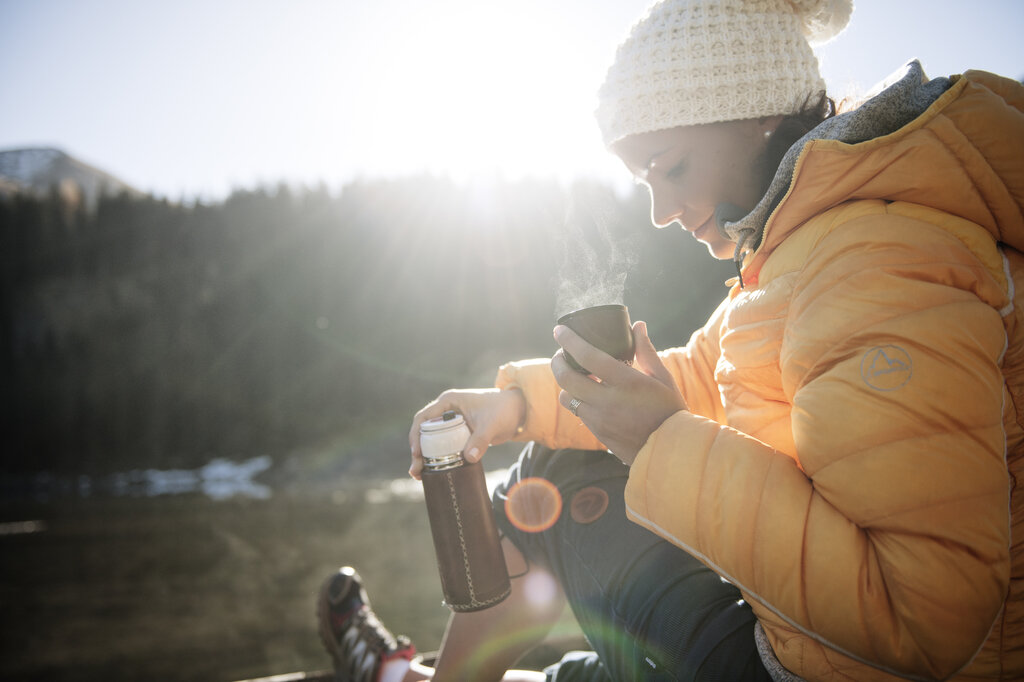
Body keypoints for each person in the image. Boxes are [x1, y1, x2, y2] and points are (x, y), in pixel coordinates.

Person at [317, 0, 1024, 679]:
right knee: (585, 672)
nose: (659, 211)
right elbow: (702, 378)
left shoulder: (874, 260)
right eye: (642, 179)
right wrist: (512, 404)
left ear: (758, 111)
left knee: (557, 477)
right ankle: (401, 675)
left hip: (829, 670)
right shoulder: (807, 246)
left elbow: (925, 619)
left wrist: (659, 442)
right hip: (805, 648)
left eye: (671, 167)